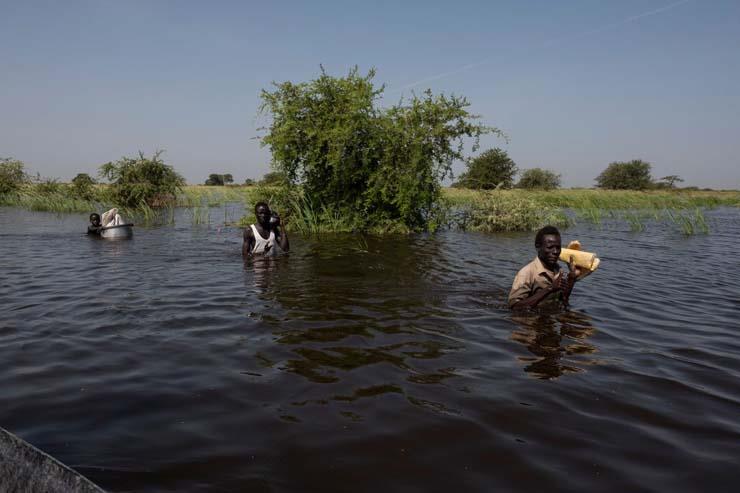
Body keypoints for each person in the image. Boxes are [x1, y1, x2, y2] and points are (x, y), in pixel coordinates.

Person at [508, 225, 588, 310]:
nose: (555, 252)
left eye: (558, 247)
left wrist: (572, 278)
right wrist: (550, 288)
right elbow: (514, 306)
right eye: (550, 247)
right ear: (538, 246)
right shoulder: (526, 273)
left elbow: (563, 299)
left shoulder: (558, 270)